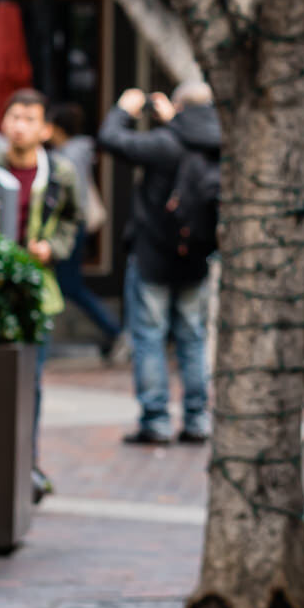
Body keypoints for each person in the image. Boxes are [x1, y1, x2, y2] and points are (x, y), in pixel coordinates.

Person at [97, 83, 220, 447]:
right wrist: (175, 119)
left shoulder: (166, 143)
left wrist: (125, 108)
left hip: (153, 255)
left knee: (149, 338)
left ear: (178, 105)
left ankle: (157, 420)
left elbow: (112, 140)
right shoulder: (218, 142)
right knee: (193, 338)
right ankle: (197, 418)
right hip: (197, 256)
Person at [0, 89, 83, 503]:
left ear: (45, 129)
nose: (20, 126)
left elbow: (72, 219)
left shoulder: (61, 173)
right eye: (14, 117)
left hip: (36, 288)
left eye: (30, 119)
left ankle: (26, 465)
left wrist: (55, 248)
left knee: (31, 380)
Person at [46, 102, 121, 358]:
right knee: (69, 284)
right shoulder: (79, 150)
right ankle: (114, 329)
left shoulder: (66, 156)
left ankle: (114, 329)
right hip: (77, 225)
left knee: (70, 285)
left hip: (71, 225)